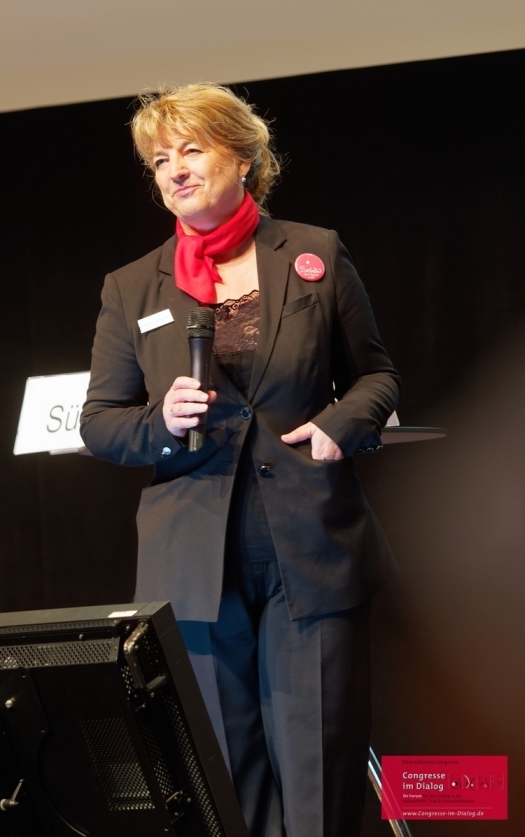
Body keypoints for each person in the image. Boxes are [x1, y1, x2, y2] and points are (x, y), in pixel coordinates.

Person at [80, 83, 400, 837]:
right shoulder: (133, 286)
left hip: (311, 547)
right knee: (228, 786)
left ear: (244, 157)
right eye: (161, 160)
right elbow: (100, 423)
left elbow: (377, 377)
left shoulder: (314, 254)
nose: (175, 170)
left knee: (319, 778)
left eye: (191, 150)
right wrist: (161, 423)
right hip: (194, 563)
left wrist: (341, 424)